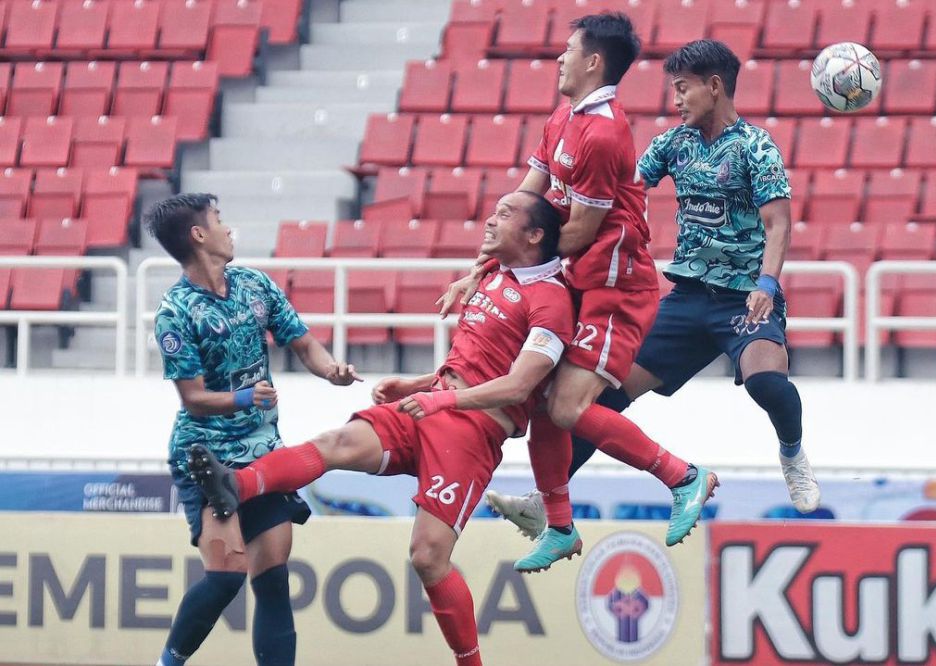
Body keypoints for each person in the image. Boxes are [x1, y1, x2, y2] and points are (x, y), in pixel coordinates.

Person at [185, 191, 575, 666]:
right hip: (430, 404)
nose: (491, 220)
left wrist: (440, 398)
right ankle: (235, 485)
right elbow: (472, 364)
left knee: (428, 557)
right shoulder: (492, 275)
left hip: (470, 433)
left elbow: (518, 386)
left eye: (506, 214)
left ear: (535, 235)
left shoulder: (551, 301)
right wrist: (419, 384)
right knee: (336, 442)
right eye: (494, 210)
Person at [486, 39, 820, 542]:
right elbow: (621, 190)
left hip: (743, 299)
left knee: (765, 383)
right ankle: (546, 502)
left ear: (714, 87)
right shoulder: (674, 143)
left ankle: (792, 451)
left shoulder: (756, 147)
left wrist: (768, 284)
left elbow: (778, 224)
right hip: (686, 301)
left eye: (683, 89)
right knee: (601, 400)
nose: (676, 100)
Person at [441, 13, 718, 573]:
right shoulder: (565, 117)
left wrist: (506, 266)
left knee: (567, 406)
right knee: (546, 402)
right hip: (577, 279)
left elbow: (578, 233)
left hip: (615, 288)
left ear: (594, 62)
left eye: (568, 51)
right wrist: (483, 266)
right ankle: (560, 527)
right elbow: (524, 204)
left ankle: (684, 477)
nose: (559, 59)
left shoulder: (603, 132)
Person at [148, 193, 361, 666]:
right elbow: (193, 399)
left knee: (273, 578)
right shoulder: (176, 313)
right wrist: (246, 397)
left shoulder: (254, 284)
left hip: (264, 451)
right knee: (226, 577)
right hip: (207, 456)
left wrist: (332, 371)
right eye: (220, 221)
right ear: (199, 235)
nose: (229, 229)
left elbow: (303, 343)